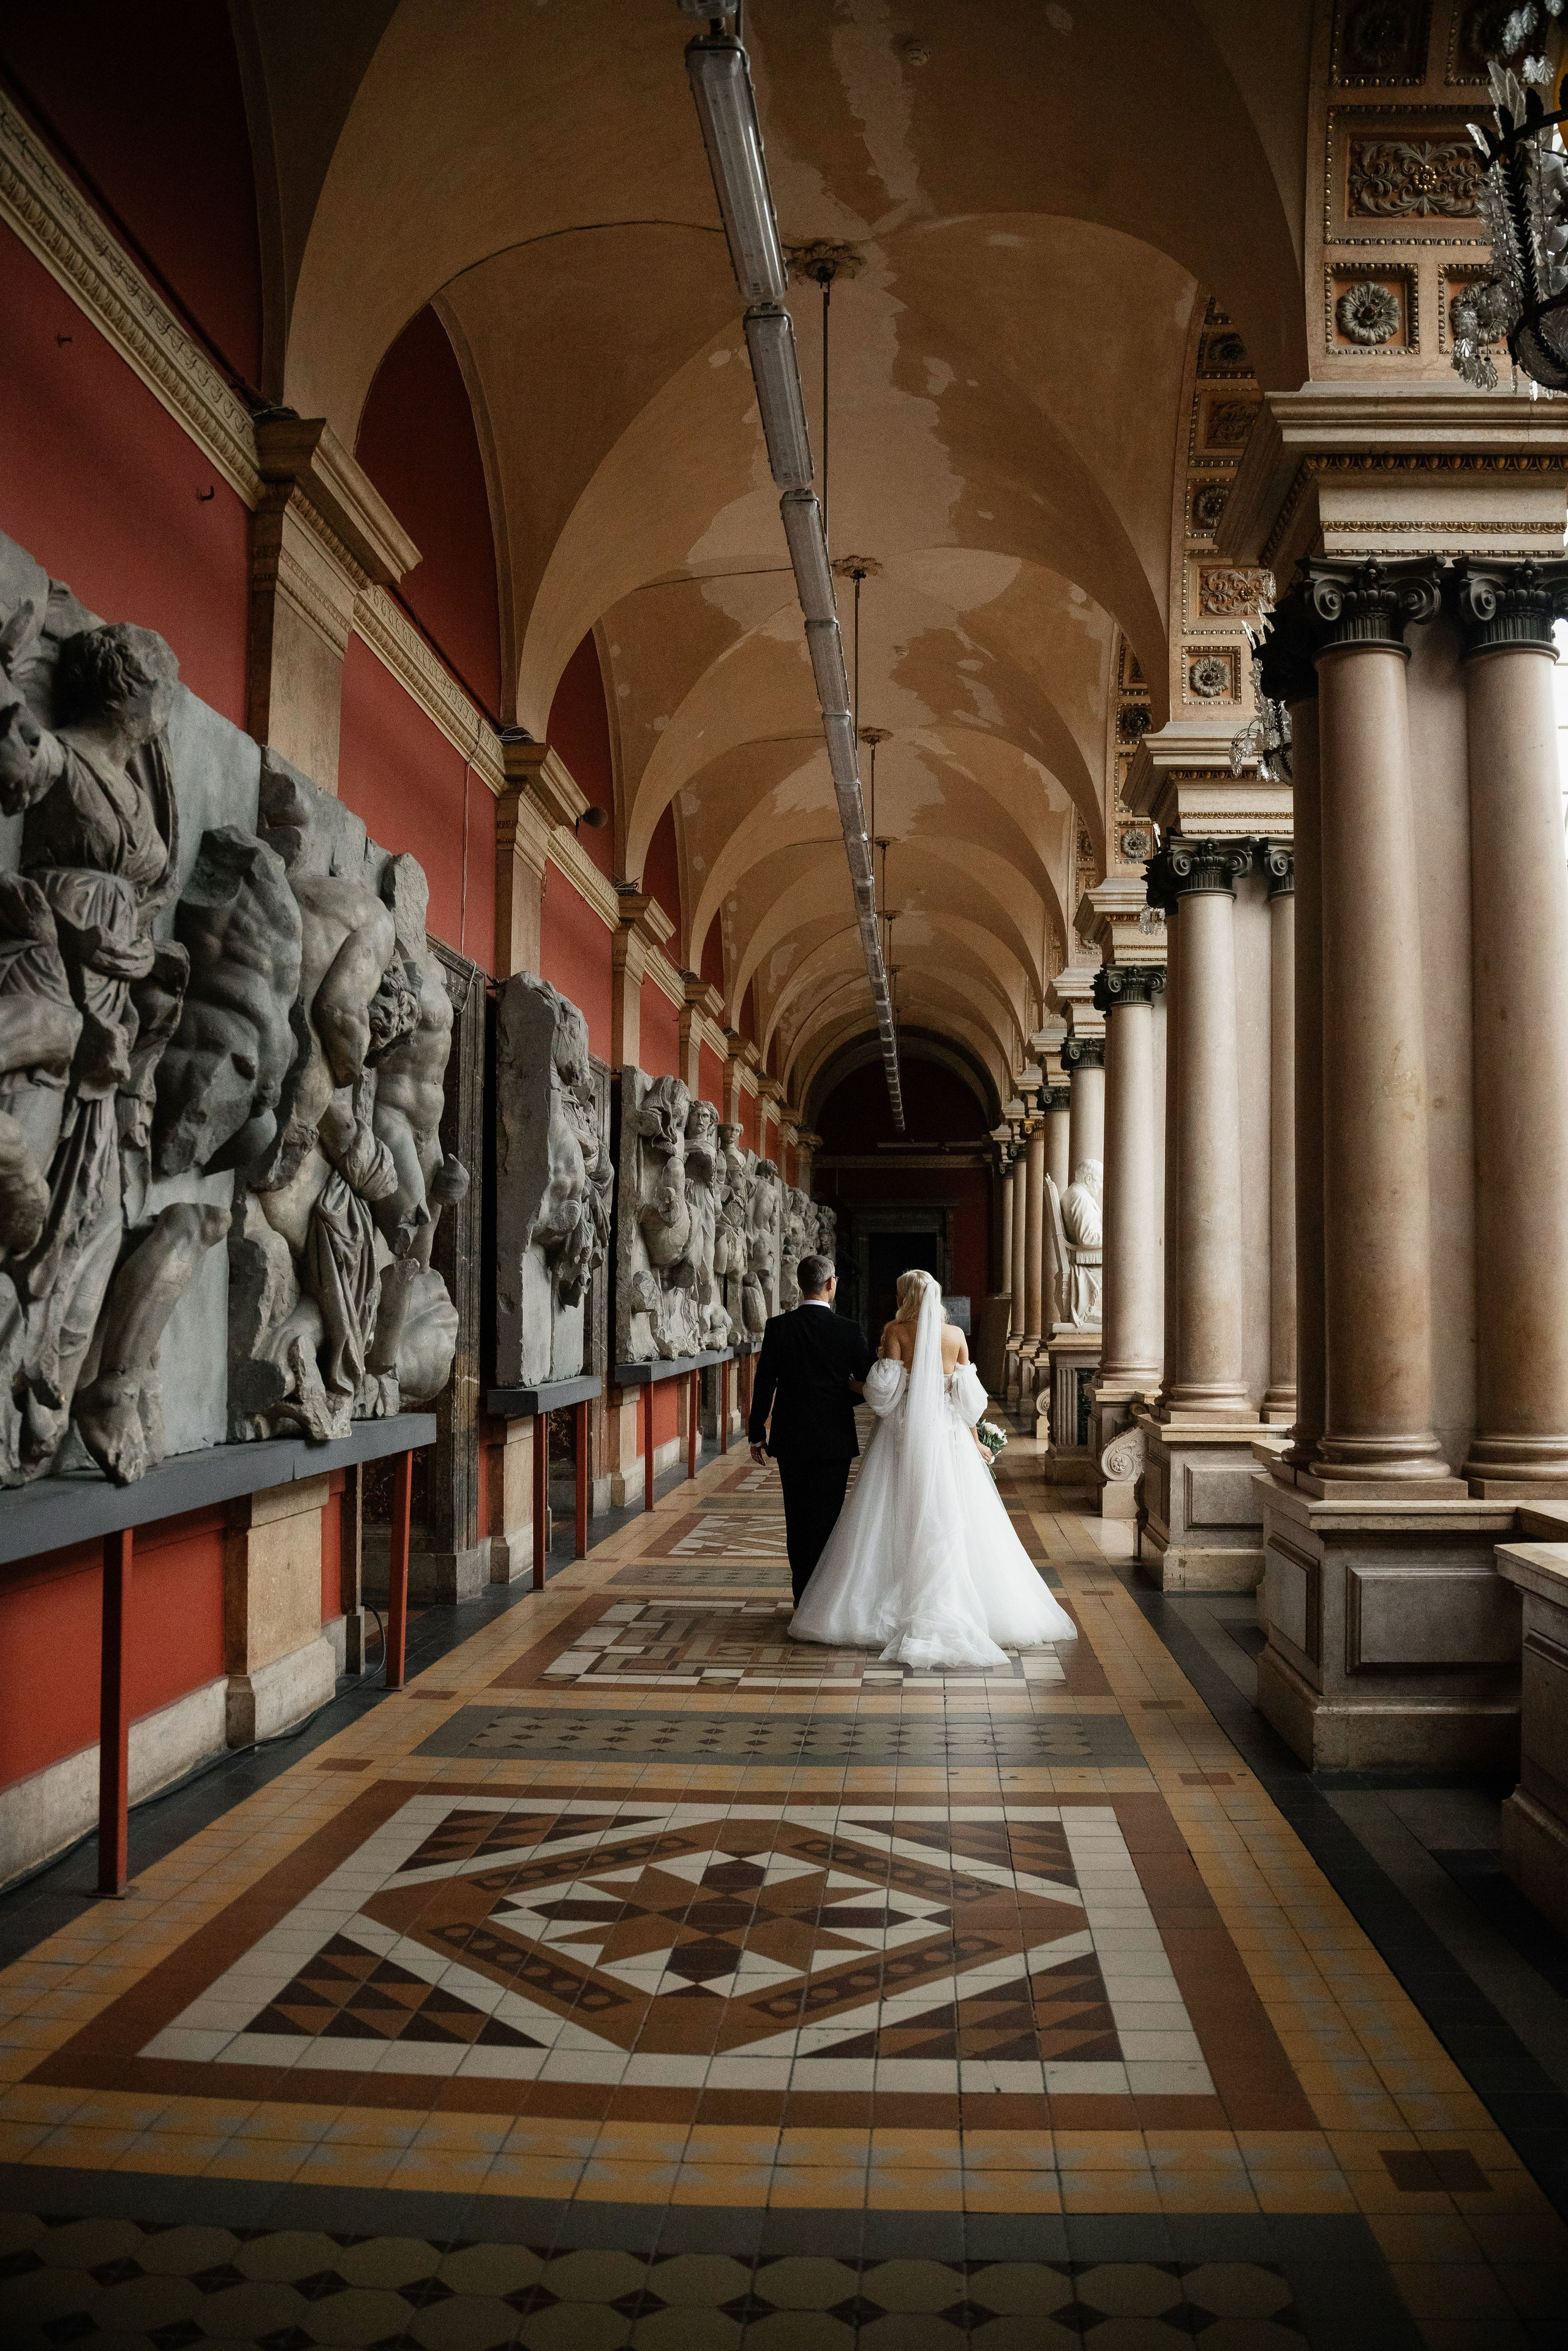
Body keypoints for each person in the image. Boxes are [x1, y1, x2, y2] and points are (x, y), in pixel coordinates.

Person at [788, 1266, 1078, 1669]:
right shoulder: (956, 1336)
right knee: (952, 1513)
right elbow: (968, 1400)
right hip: (948, 1436)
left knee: (891, 1513)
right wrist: (975, 1438)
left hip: (902, 1436)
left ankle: (881, 1602)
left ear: (905, 1296)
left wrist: (849, 1384)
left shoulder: (895, 1331)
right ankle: (968, 1604)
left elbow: (881, 1393)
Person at [748, 1250, 874, 1603]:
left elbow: (764, 1383)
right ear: (831, 1284)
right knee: (828, 1518)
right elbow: (870, 1384)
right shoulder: (849, 1331)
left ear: (799, 1285)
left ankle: (802, 1597)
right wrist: (838, 1397)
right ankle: (825, 1600)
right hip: (834, 1438)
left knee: (798, 1518)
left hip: (790, 1437)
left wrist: (757, 1432)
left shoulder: (779, 1327)